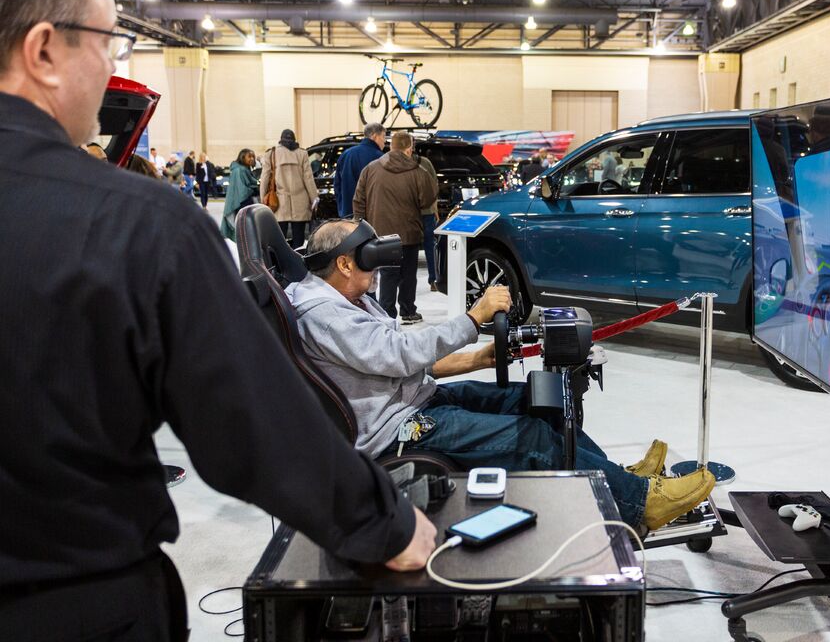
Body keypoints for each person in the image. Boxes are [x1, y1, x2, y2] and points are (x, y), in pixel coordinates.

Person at [0, 0, 434, 637]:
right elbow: (254, 426)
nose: (113, 65)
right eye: (108, 41)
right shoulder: (137, 226)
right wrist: (383, 523)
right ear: (44, 49)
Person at [288, 220, 717, 531]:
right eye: (368, 258)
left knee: (534, 399)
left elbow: (402, 360)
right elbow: (401, 354)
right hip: (397, 428)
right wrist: (473, 318)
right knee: (530, 439)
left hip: (413, 399)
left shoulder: (350, 301)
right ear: (344, 263)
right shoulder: (326, 315)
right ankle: (641, 505)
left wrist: (478, 358)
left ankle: (618, 479)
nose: (378, 267)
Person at [353, 131, 437, 323]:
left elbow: (358, 200)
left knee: (388, 275)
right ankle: (408, 311)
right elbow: (428, 200)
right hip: (409, 233)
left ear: (390, 147)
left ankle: (387, 314)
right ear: (409, 149)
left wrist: (362, 226)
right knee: (408, 275)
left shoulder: (370, 169)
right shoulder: (418, 172)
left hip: (379, 233)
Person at [260, 128, 318, 249]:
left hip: (279, 202)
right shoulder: (302, 153)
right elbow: (308, 178)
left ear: (281, 139)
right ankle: (298, 262)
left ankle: (281, 264)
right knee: (299, 239)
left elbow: (265, 177)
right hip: (301, 200)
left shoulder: (272, 153)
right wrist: (314, 198)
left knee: (279, 238)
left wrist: (263, 198)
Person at [335, 121, 386, 218]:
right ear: (375, 136)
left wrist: (342, 208)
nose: (384, 141)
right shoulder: (380, 158)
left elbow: (337, 185)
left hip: (347, 213)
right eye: (383, 137)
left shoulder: (346, 154)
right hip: (371, 215)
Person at [220, 148, 260, 241]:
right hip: (241, 203)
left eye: (253, 157)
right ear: (242, 157)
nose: (252, 159)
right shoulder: (240, 170)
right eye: (249, 157)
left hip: (239, 202)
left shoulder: (241, 169)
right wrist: (256, 188)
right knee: (243, 229)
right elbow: (242, 191)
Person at [417, 152, 440, 292]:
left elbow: (434, 185)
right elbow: (434, 186)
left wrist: (434, 207)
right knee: (430, 245)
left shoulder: (425, 162)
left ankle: (433, 279)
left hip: (419, 213)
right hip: (426, 211)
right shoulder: (424, 162)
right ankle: (433, 280)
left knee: (429, 246)